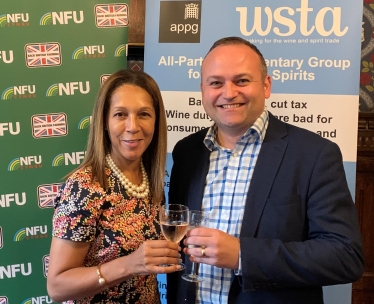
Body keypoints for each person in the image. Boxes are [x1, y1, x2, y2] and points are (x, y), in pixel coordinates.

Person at [167, 36, 364, 304]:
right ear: (203, 89)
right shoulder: (187, 152)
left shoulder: (314, 154)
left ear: (267, 85)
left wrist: (242, 255)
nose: (228, 92)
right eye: (216, 83)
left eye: (242, 80)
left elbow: (345, 256)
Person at [47, 69, 182, 304]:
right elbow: (58, 287)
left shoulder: (149, 179)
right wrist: (128, 265)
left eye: (144, 114)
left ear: (156, 122)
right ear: (105, 123)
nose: (133, 126)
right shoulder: (85, 187)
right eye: (120, 114)